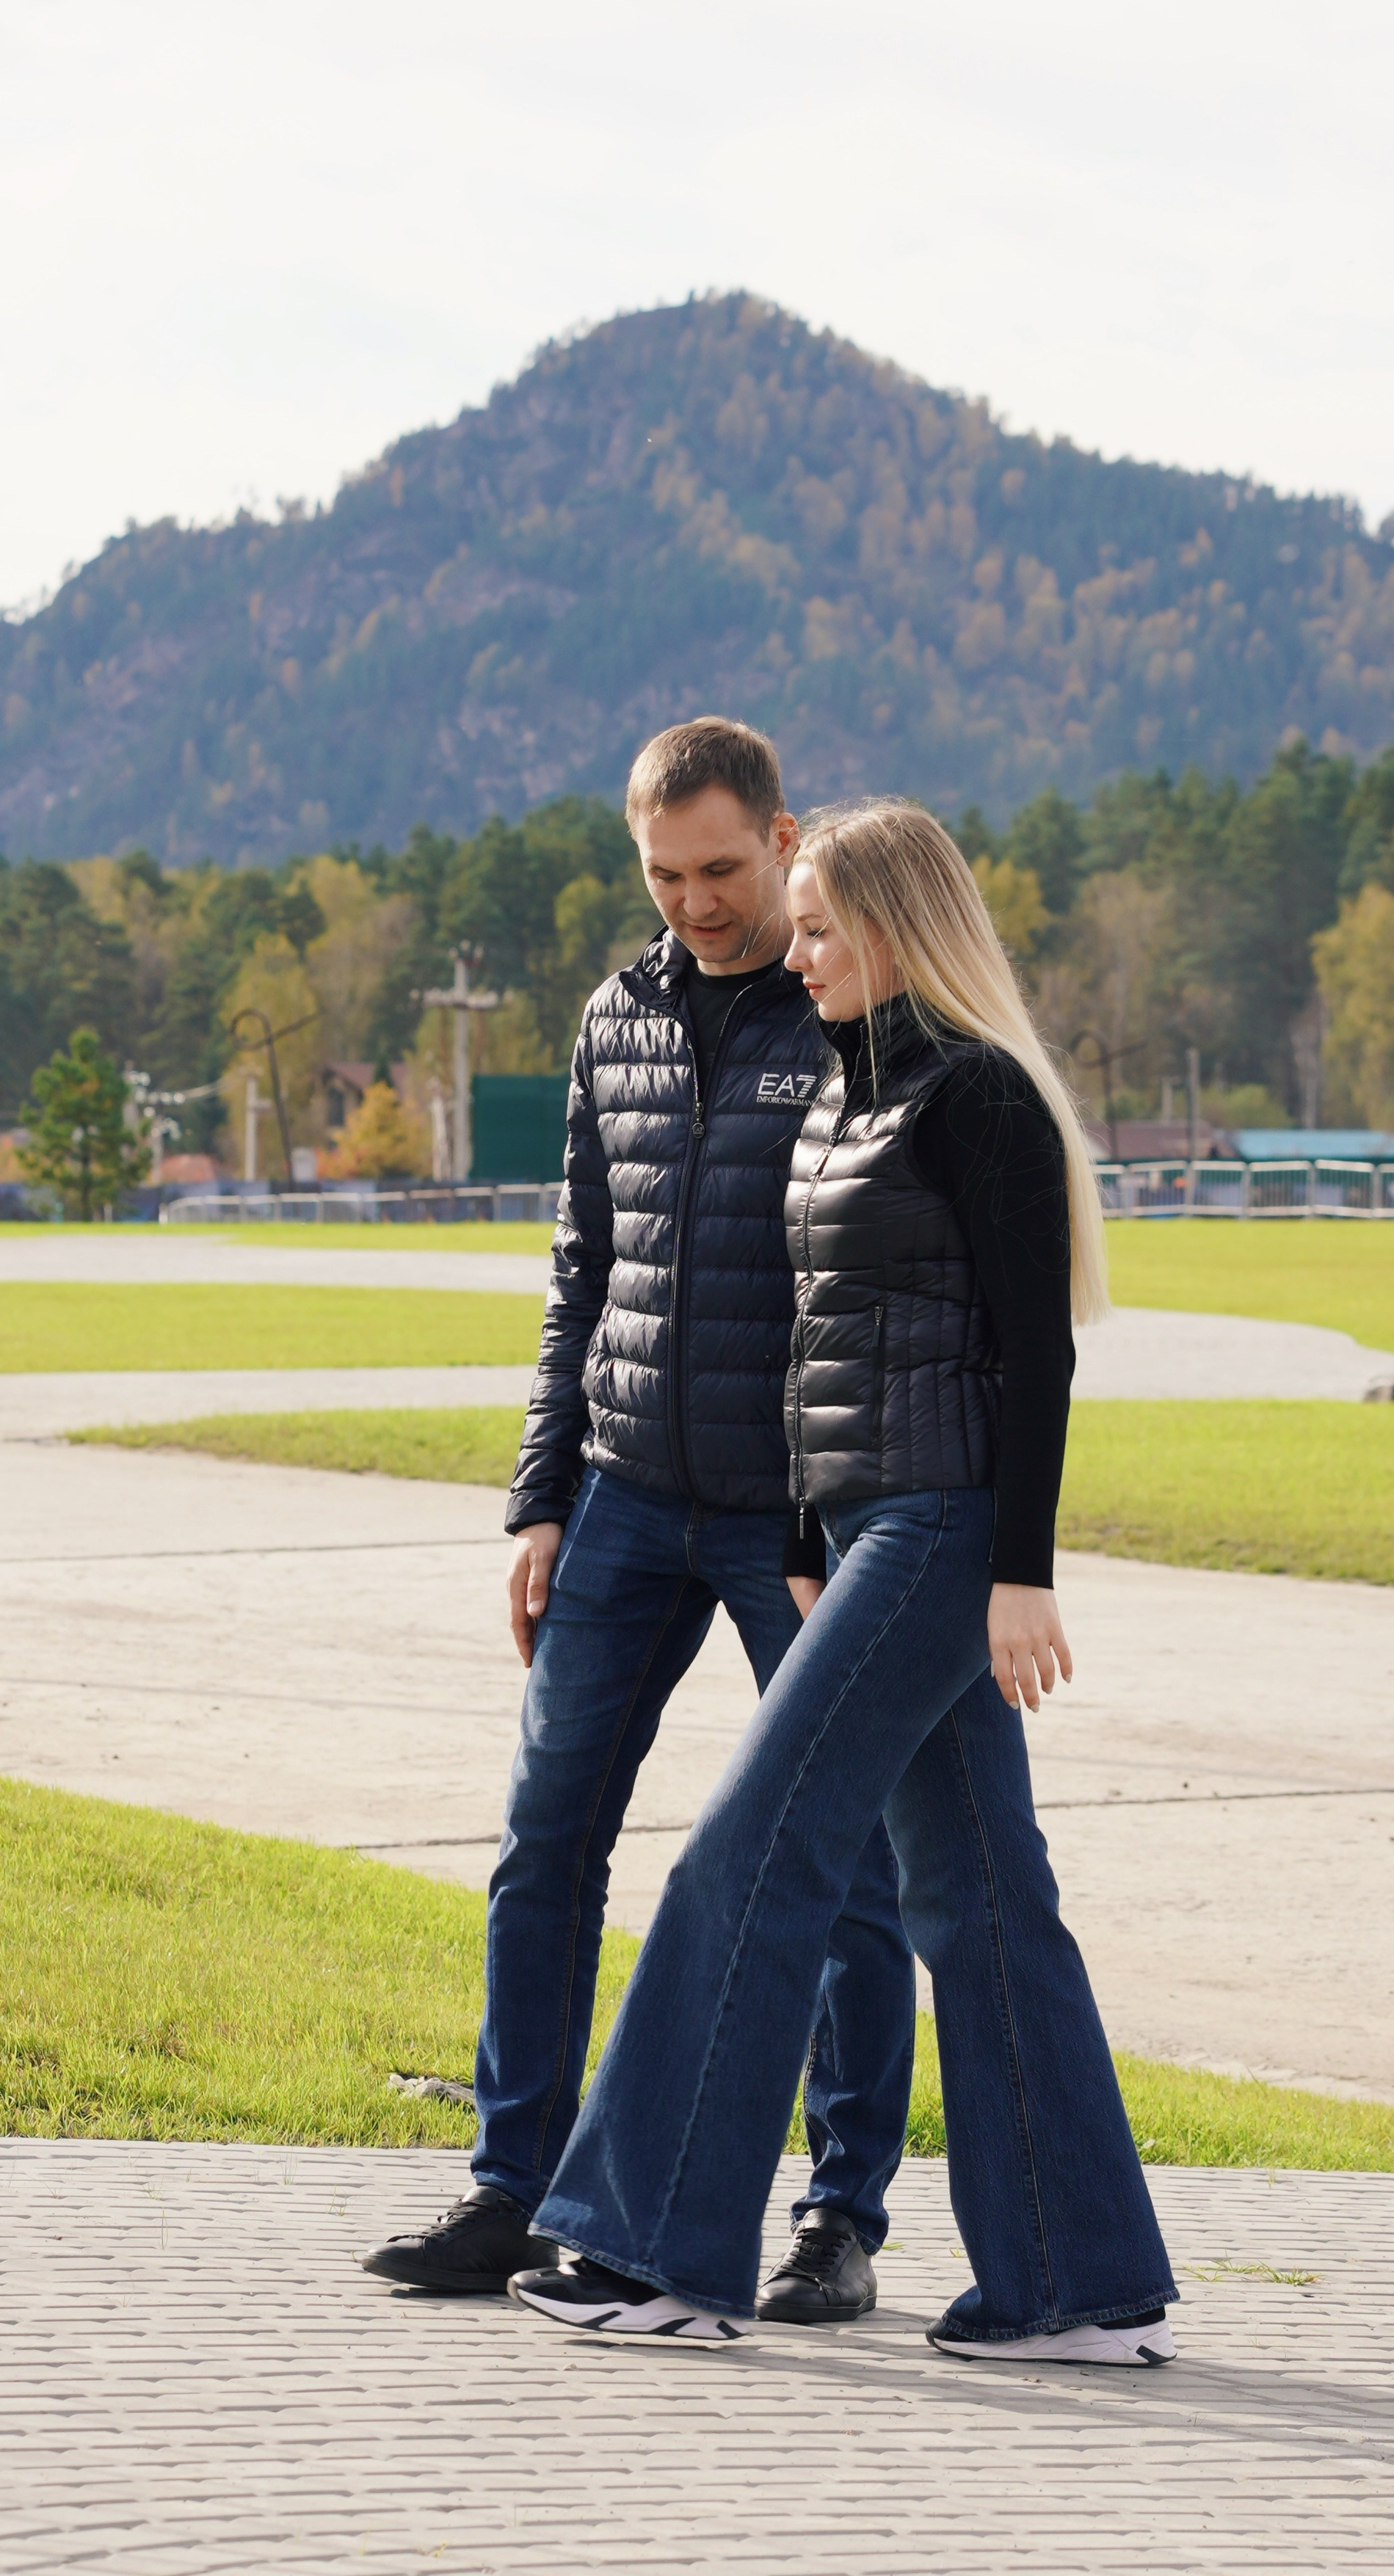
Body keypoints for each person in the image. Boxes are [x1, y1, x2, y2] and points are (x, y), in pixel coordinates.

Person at [509, 796, 1180, 2361]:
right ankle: (1072, 2286)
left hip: (945, 1530)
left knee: (751, 1853)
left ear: (897, 927)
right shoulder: (836, 1089)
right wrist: (807, 1545)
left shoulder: (978, 1096)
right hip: (866, 1534)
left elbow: (1033, 1358)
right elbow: (817, 1341)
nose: (793, 954)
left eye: (817, 928)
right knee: (982, 1896)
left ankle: (654, 2251)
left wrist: (1021, 1574)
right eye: (797, 927)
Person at [362, 722, 918, 2324]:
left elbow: (881, 1289)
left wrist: (846, 1516)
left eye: (723, 869)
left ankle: (838, 2219)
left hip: (791, 1519)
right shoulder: (616, 1018)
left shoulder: (848, 1014)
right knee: (543, 1845)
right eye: (664, 876)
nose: (697, 903)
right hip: (619, 1496)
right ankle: (513, 2189)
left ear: (785, 839)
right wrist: (540, 1499)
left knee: (840, 1867)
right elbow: (581, 1273)